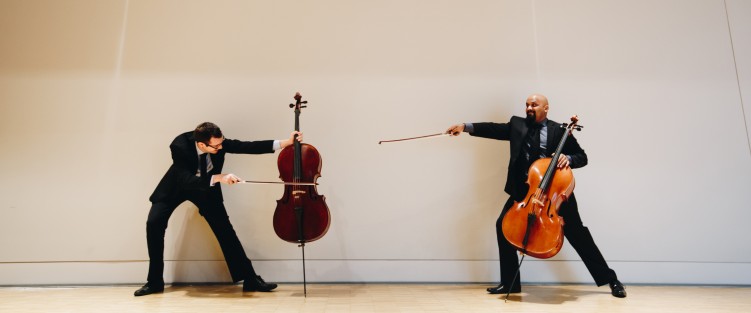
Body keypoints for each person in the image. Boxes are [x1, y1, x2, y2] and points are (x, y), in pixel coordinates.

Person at [445, 94, 626, 298]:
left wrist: (569, 158)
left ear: (546, 108)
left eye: (534, 104)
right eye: (527, 104)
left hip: (555, 192)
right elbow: (493, 129)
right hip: (525, 192)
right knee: (502, 226)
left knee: (579, 235)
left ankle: (611, 280)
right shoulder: (517, 125)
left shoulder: (560, 131)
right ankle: (510, 283)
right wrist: (465, 126)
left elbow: (582, 156)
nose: (529, 108)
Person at [134, 122, 302, 296]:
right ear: (201, 144)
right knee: (153, 223)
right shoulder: (180, 146)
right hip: (176, 188)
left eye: (222, 143)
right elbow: (185, 179)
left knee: (225, 230)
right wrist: (220, 177)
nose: (221, 147)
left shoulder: (218, 142)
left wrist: (285, 143)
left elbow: (245, 146)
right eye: (216, 146)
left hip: (206, 190)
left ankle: (251, 279)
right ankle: (154, 282)